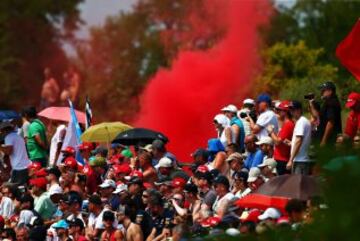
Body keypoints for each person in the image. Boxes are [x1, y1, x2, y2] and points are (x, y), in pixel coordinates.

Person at [268, 100, 295, 175]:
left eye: (279, 110)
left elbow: (277, 142)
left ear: (285, 112)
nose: (277, 112)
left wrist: (271, 131)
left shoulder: (288, 124)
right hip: (281, 158)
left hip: (282, 160)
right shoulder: (287, 123)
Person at [287, 101, 312, 175]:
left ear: (299, 110)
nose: (291, 112)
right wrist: (292, 143)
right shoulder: (303, 121)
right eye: (290, 110)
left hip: (300, 161)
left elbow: (299, 140)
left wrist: (290, 160)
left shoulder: (301, 122)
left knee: (298, 185)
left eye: (293, 110)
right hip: (301, 160)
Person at [318, 81, 342, 146]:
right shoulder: (328, 102)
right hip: (329, 139)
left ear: (330, 91)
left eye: (323, 90)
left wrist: (324, 141)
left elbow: (330, 123)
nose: (321, 92)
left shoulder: (331, 103)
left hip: (330, 140)